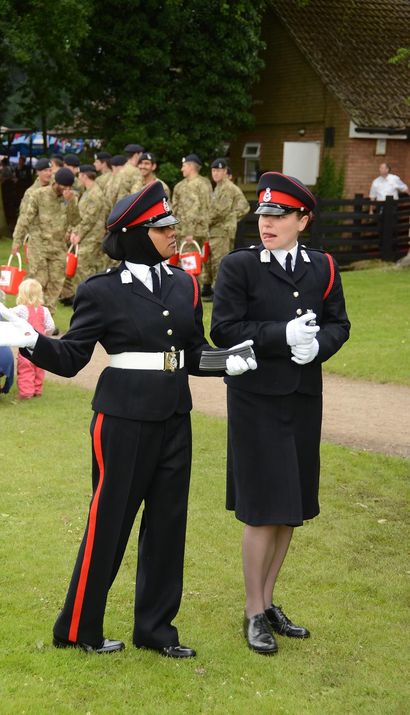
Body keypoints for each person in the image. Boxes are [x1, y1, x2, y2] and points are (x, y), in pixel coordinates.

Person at [0, 180, 255, 657]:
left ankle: (156, 630)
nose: (173, 232)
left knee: (168, 526)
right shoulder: (101, 290)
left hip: (174, 416)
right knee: (109, 523)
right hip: (122, 420)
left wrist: (225, 360)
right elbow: (71, 358)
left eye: (171, 224)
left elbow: (188, 353)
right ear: (134, 234)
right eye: (162, 226)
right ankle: (78, 628)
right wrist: (31, 341)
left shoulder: (185, 284)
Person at [211, 171, 350, 655]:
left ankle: (269, 602)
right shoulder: (239, 266)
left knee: (289, 508)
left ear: (302, 220)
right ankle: (252, 611)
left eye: (279, 216)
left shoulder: (322, 267)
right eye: (263, 215)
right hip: (255, 400)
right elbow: (223, 330)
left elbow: (339, 324)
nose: (266, 224)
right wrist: (280, 336)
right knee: (262, 508)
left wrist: (319, 348)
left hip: (302, 399)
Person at [11, 167, 80, 317]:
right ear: (56, 183)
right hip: (39, 245)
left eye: (69, 187)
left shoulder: (70, 199)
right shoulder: (39, 195)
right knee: (39, 280)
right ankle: (27, 313)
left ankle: (46, 318)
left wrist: (70, 203)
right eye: (64, 186)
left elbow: (75, 220)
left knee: (56, 283)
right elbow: (25, 219)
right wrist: (17, 240)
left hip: (59, 247)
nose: (66, 190)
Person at [205, 158, 250, 300]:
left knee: (220, 261)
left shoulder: (227, 188)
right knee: (213, 260)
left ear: (225, 172)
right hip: (216, 230)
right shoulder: (219, 187)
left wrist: (230, 219)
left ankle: (219, 291)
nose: (216, 173)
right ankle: (212, 289)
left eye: (219, 170)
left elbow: (220, 211)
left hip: (222, 231)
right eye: (214, 170)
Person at [171, 154, 211, 291]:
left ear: (191, 166)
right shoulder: (181, 186)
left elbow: (198, 209)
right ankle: (189, 291)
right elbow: (174, 209)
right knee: (187, 264)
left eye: (184, 166)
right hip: (187, 231)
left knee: (191, 265)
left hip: (192, 233)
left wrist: (189, 232)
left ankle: (190, 293)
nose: (182, 169)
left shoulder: (198, 185)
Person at [10, 278, 54, 399]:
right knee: (39, 368)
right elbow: (51, 326)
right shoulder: (44, 310)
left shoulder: (21, 309)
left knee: (25, 369)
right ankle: (37, 390)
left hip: (27, 345)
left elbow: (9, 315)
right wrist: (45, 334)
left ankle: (26, 393)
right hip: (41, 345)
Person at [106, 143, 144, 208]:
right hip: (128, 210)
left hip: (117, 210)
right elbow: (136, 196)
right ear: (136, 155)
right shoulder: (136, 172)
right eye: (141, 155)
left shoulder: (121, 171)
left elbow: (110, 195)